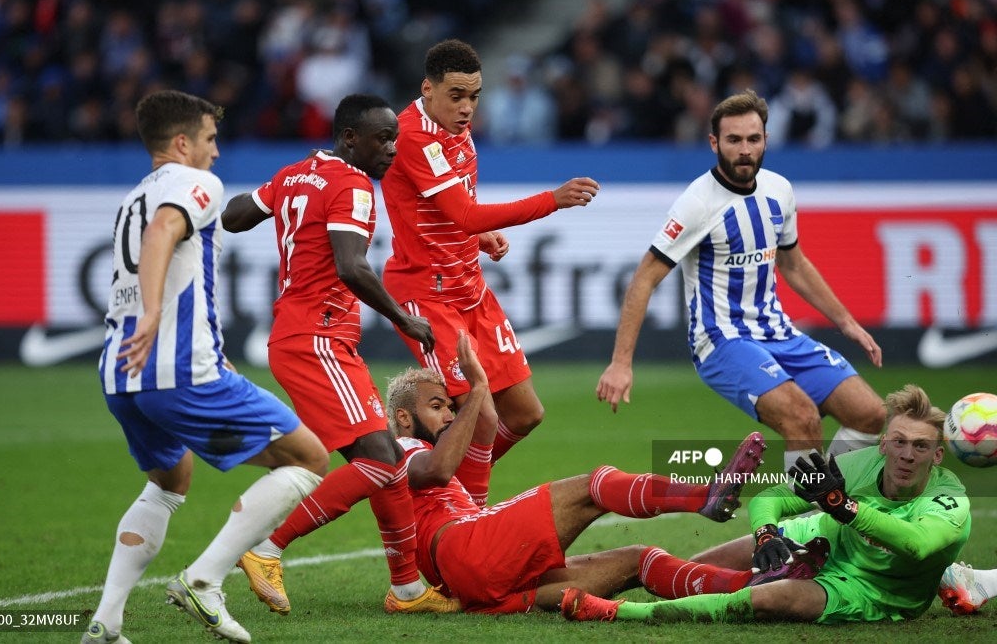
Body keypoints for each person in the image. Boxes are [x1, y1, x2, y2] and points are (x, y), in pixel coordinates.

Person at [84, 90, 329, 644]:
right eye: (210, 139)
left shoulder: (134, 196)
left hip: (121, 373)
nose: (216, 152)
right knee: (309, 457)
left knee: (170, 481)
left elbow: (162, 250)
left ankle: (106, 623)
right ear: (181, 143)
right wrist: (153, 314)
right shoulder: (197, 185)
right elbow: (163, 232)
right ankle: (204, 580)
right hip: (177, 368)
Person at [221, 94, 458, 616]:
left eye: (395, 138)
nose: (392, 149)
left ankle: (407, 590)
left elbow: (234, 217)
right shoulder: (352, 185)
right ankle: (266, 548)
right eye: (382, 138)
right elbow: (352, 266)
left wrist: (275, 191)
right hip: (318, 339)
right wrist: (403, 318)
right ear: (350, 138)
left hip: (305, 338)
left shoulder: (295, 174)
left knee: (386, 461)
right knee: (382, 459)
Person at [597, 88, 886, 472]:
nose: (745, 150)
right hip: (721, 341)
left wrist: (846, 322)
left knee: (870, 415)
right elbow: (644, 278)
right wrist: (621, 363)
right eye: (734, 140)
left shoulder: (779, 190)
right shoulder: (697, 203)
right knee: (801, 418)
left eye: (753, 139)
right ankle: (807, 506)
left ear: (766, 139)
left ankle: (826, 492)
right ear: (714, 143)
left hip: (778, 333)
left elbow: (794, 264)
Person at [392, 330, 778, 614]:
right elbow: (437, 470)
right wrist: (477, 389)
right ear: (404, 418)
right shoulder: (403, 449)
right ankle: (703, 497)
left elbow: (486, 427)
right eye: (437, 407)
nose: (449, 416)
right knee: (594, 485)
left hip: (476, 577)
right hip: (465, 550)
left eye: (450, 408)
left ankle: (755, 588)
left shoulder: (446, 464)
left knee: (638, 560)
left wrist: (476, 392)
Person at [564, 384, 971, 625]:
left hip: (871, 589)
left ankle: (618, 612)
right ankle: (786, 564)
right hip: (822, 536)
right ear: (883, 444)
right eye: (899, 442)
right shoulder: (857, 465)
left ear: (937, 456)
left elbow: (916, 543)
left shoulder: (949, 499)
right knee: (691, 573)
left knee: (766, 600)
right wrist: (765, 533)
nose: (907, 455)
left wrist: (844, 507)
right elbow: (771, 497)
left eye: (921, 446)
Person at [380, 37, 601, 476]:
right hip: (428, 294)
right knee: (480, 419)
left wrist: (479, 236)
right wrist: (552, 200)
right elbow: (463, 213)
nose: (467, 108)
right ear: (428, 89)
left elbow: (445, 210)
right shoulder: (413, 137)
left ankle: (441, 483)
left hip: (471, 288)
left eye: (475, 97)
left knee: (525, 413)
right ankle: (453, 503)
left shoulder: (456, 130)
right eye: (456, 96)